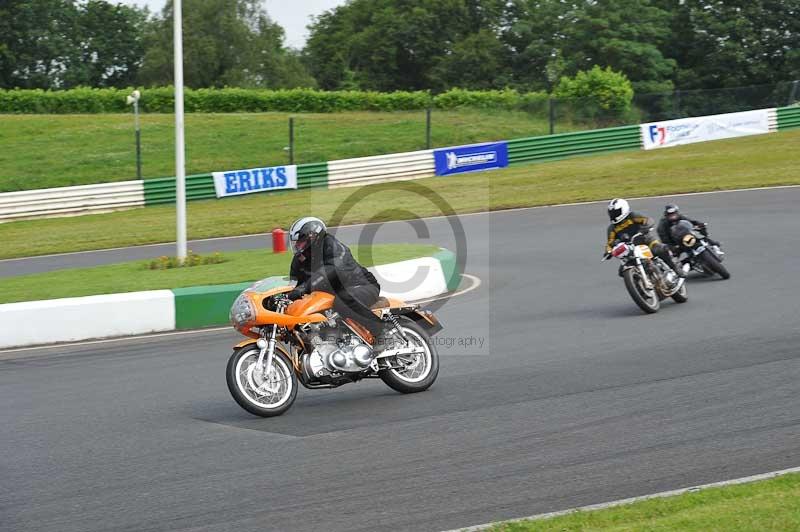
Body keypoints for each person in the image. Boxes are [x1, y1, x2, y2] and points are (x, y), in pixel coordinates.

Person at [285, 216, 394, 353]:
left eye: (300, 241)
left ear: (313, 237)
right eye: (296, 242)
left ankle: (382, 331)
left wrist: (305, 287)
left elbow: (332, 270)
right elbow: (293, 284)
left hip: (362, 285)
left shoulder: (331, 245)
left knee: (342, 301)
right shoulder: (299, 260)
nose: (297, 246)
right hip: (332, 295)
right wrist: (285, 296)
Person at [605, 198, 686, 278]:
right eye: (612, 213)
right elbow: (609, 243)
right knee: (622, 271)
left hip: (645, 240)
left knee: (661, 249)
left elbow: (648, 220)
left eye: (616, 212)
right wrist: (608, 252)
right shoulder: (612, 228)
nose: (614, 215)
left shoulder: (633, 216)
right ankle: (639, 282)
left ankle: (676, 268)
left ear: (624, 209)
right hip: (630, 249)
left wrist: (644, 229)